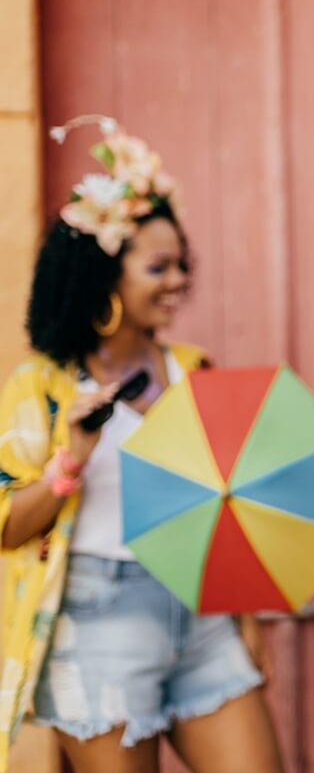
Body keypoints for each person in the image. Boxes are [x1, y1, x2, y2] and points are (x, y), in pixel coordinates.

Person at [0, 116, 281, 773]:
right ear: (105, 277)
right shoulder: (41, 386)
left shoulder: (193, 368)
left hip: (201, 618)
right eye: (159, 266)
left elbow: (222, 508)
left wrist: (246, 620)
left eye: (184, 264)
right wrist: (72, 457)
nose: (179, 280)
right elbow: (9, 525)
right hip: (99, 620)